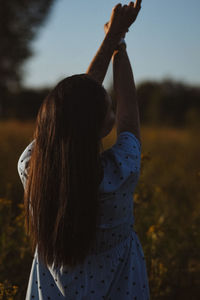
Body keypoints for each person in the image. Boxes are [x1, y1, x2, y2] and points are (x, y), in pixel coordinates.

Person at [18, 1, 150, 299]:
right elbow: (127, 117)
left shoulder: (32, 167)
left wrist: (111, 38)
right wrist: (120, 44)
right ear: (100, 126)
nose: (113, 112)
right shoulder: (118, 175)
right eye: (107, 108)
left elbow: (74, 106)